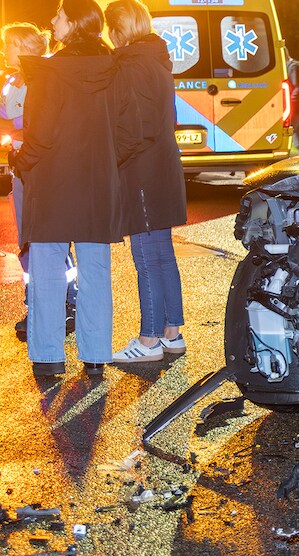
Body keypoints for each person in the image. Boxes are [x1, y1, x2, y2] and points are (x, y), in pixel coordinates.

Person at [13, 0, 136, 377]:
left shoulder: (49, 72)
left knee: (48, 266)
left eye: (60, 16)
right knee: (95, 269)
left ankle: (49, 356)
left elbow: (40, 133)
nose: (53, 20)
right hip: (97, 184)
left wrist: (19, 161)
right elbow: (129, 133)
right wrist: (104, 164)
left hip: (52, 183)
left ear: (75, 24)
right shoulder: (116, 69)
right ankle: (96, 354)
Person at [104, 0, 188, 364]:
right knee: (163, 255)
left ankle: (149, 339)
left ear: (117, 30)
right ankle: (172, 333)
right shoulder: (156, 61)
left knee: (146, 257)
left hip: (141, 169)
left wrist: (112, 159)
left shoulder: (129, 65)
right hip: (163, 166)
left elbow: (132, 130)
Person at [0, 22, 79, 343]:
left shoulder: (42, 77)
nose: (4, 51)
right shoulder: (13, 81)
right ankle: (40, 301)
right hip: (20, 168)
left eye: (8, 45)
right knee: (29, 241)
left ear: (23, 47)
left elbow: (34, 124)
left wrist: (17, 125)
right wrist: (17, 126)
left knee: (50, 239)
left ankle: (66, 302)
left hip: (41, 169)